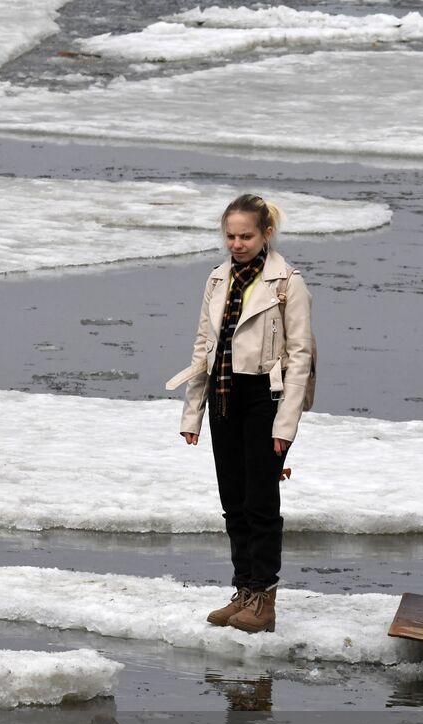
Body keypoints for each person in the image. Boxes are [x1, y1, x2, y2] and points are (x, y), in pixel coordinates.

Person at [167, 195, 315, 634]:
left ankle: (264, 599)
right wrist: (192, 414)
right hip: (223, 395)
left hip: (264, 398)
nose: (237, 243)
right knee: (233, 502)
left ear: (266, 234)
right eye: (230, 235)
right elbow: (202, 349)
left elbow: (301, 357)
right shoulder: (216, 279)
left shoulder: (288, 283)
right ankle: (243, 591)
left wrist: (286, 425)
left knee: (260, 502)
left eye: (246, 235)